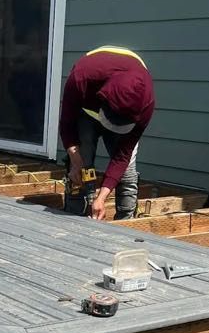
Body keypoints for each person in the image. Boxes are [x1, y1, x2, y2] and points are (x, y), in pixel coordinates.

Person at [58, 46, 155, 220]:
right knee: (82, 164)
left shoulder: (145, 105)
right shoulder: (82, 77)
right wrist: (74, 155)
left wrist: (102, 198)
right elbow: (66, 123)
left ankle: (126, 221)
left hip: (120, 109)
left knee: (126, 172)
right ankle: (74, 213)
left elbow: (121, 157)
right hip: (86, 112)